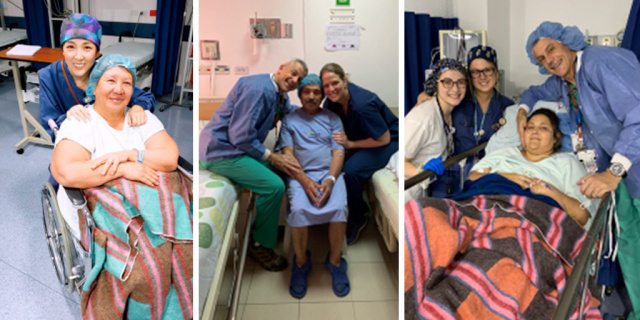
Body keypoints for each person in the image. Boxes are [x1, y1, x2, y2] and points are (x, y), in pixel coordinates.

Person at [50, 54, 192, 319]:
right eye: (111, 80)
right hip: (103, 205)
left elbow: (169, 158)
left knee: (188, 247)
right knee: (146, 267)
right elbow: (66, 172)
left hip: (149, 200)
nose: (119, 88)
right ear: (95, 85)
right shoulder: (81, 122)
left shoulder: (141, 118)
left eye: (127, 83)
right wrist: (122, 169)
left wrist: (131, 155)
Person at [515, 21, 640, 318]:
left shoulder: (599, 61)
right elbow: (532, 92)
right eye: (542, 58)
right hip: (617, 175)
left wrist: (613, 173)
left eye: (551, 49)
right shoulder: (563, 82)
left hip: (623, 168)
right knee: (630, 244)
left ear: (569, 43)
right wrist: (521, 111)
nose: (549, 60)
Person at [199, 59, 308, 271]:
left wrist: (314, 112)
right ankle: (259, 245)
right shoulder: (259, 89)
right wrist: (273, 157)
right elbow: (239, 136)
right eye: (293, 73)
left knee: (279, 172)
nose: (294, 80)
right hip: (222, 151)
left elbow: (287, 110)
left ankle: (264, 227)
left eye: (299, 79)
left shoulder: (277, 93)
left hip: (237, 149)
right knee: (274, 186)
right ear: (281, 67)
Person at [277, 74, 349, 299]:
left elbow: (338, 152)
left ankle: (335, 262)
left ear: (322, 95)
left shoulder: (332, 119)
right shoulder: (290, 120)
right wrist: (305, 181)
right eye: (306, 92)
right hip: (300, 175)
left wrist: (330, 180)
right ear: (299, 95)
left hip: (330, 174)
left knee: (339, 208)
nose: (311, 96)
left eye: (316, 92)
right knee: (298, 209)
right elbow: (288, 155)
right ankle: (301, 262)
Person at [466, 109, 596, 227]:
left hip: (531, 218)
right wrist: (503, 177)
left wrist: (550, 192)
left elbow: (581, 216)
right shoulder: (505, 153)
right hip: (486, 207)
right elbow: (472, 178)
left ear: (556, 138)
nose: (535, 131)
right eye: (530, 127)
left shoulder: (567, 163)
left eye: (543, 128)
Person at [39, 13, 155, 138]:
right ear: (62, 50)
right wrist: (68, 116)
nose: (78, 56)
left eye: (87, 47)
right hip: (75, 142)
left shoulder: (104, 72)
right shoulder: (49, 76)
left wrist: (138, 107)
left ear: (96, 53)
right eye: (70, 47)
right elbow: (51, 122)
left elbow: (144, 97)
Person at [320, 62, 399, 245]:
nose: (331, 89)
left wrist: (351, 144)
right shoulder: (331, 102)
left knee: (350, 171)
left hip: (388, 142)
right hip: (362, 139)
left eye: (335, 83)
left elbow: (384, 138)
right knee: (331, 162)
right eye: (326, 86)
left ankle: (358, 217)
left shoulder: (362, 104)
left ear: (345, 80)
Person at [432, 46, 514, 197]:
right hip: (454, 175)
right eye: (475, 72)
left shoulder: (508, 107)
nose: (482, 76)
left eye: (487, 70)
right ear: (469, 76)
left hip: (490, 175)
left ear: (496, 72)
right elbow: (434, 96)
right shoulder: (457, 100)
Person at [404, 58, 467, 199]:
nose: (455, 89)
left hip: (423, 190)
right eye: (447, 82)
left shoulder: (448, 113)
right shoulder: (423, 117)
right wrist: (421, 171)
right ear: (436, 84)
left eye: (461, 82)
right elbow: (400, 163)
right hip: (407, 191)